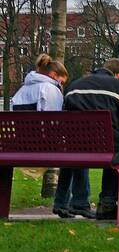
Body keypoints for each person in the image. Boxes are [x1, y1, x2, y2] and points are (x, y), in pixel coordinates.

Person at [63, 58, 119, 220]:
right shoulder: (118, 86)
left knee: (92, 143)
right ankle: (107, 201)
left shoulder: (73, 86)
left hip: (76, 146)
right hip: (108, 147)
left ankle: (79, 201)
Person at [11, 55, 93, 219]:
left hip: (21, 146)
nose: (61, 86)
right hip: (44, 145)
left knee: (71, 155)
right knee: (79, 153)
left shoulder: (21, 90)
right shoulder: (49, 89)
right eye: (61, 82)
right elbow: (54, 122)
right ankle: (77, 202)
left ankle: (62, 204)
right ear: (54, 76)